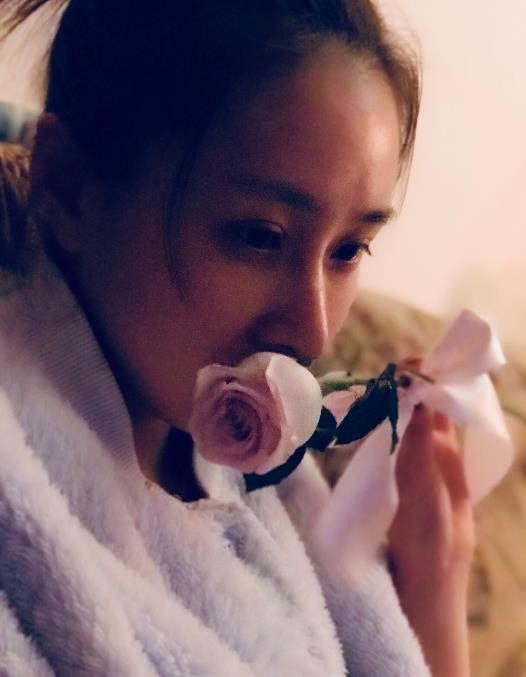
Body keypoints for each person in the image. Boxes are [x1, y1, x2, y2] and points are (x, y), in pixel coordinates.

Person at [0, 1, 474, 675]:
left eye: (348, 250)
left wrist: (435, 587)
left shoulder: (272, 482)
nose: (312, 332)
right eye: (259, 236)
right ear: (72, 189)